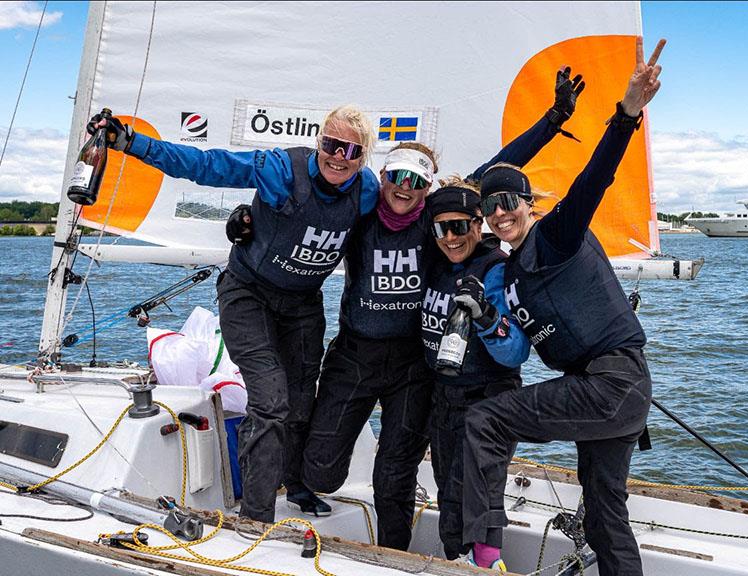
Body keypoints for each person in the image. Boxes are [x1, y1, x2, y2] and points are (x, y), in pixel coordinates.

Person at [298, 67, 587, 551]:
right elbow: (314, 202)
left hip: (412, 363)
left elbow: (501, 168)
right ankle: (300, 485)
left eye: (417, 179)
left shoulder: (438, 217)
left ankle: (394, 554)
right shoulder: (364, 208)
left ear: (428, 186)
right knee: (321, 468)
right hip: (355, 352)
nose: (405, 186)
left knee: (395, 470)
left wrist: (554, 118)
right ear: (383, 177)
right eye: (397, 176)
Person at [87, 105, 380, 522]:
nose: (340, 157)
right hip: (249, 295)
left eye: (352, 151)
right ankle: (256, 515)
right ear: (319, 142)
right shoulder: (281, 168)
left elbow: (405, 218)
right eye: (332, 145)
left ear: (364, 157)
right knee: (270, 398)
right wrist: (130, 142)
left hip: (302, 305)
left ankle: (295, 485)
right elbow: (205, 166)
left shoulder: (366, 190)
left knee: (299, 402)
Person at [460, 37, 666, 574]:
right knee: (603, 517)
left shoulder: (557, 236)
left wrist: (626, 114)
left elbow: (593, 180)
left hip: (610, 385)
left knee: (485, 420)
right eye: (491, 206)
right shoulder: (506, 273)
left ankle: (484, 556)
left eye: (510, 202)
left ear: (528, 205)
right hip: (615, 393)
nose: (500, 212)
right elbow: (511, 350)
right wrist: (484, 319)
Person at [421, 184, 530, 567]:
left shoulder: (496, 268)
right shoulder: (435, 260)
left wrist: (485, 314)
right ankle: (459, 563)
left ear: (478, 223)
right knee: (449, 496)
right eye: (440, 229)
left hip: (489, 395)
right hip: (444, 395)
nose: (450, 238)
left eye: (459, 227)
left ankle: (487, 565)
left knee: (478, 493)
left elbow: (518, 350)